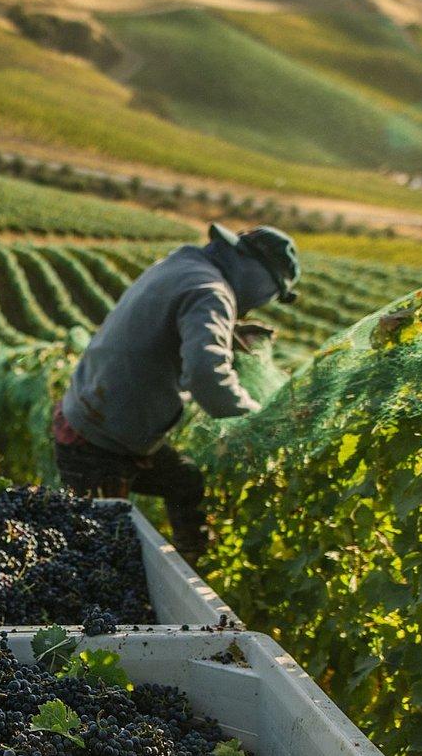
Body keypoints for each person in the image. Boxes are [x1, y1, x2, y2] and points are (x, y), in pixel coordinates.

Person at [51, 223, 299, 563]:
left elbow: (170, 318)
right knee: (97, 552)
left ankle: (191, 560)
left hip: (97, 414)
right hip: (98, 441)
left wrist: (228, 330)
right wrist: (256, 417)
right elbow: (205, 376)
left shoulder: (184, 265)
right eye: (271, 294)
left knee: (184, 481)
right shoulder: (212, 292)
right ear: (262, 279)